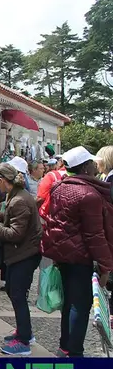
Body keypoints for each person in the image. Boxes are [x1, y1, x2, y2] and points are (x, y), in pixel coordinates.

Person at [42, 146, 113, 357]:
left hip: (64, 256)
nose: (95, 166)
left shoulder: (59, 188)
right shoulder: (89, 194)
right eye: (91, 163)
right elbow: (94, 235)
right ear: (86, 167)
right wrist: (106, 266)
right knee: (80, 307)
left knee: (70, 303)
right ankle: (74, 353)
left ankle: (65, 345)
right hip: (82, 259)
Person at [0, 163, 42, 355]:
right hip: (21, 253)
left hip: (24, 254)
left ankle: (24, 340)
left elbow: (17, 233)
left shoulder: (20, 199)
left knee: (17, 295)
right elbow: (14, 218)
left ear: (2, 180)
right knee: (13, 291)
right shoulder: (17, 196)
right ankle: (24, 331)